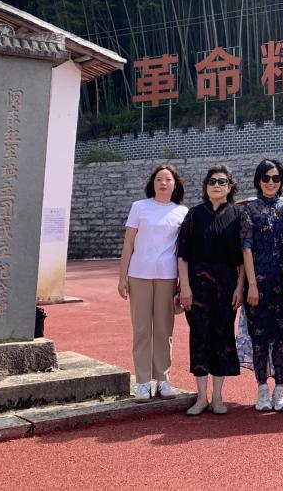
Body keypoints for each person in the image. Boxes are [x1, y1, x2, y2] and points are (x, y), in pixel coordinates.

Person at [178, 165, 245, 416]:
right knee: (199, 336)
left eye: (222, 182)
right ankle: (201, 397)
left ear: (230, 187)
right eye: (212, 181)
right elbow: (182, 255)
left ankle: (217, 397)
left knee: (223, 337)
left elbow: (243, 257)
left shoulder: (238, 215)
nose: (216, 185)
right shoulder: (194, 214)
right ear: (206, 187)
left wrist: (240, 286)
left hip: (227, 285)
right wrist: (184, 287)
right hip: (197, 285)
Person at [118, 164, 188, 402]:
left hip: (167, 277)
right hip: (139, 275)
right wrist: (122, 277)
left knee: (164, 330)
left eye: (168, 179)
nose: (163, 183)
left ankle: (163, 380)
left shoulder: (182, 212)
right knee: (141, 330)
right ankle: (143, 382)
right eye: (159, 179)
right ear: (153, 183)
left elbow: (182, 250)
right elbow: (128, 243)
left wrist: (182, 283)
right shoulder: (139, 207)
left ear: (175, 185)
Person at [241, 159, 283, 412]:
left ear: (282, 181)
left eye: (276, 178)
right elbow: (246, 248)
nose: (271, 183)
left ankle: (280, 390)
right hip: (258, 283)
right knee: (259, 338)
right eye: (266, 178)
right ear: (258, 181)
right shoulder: (249, 209)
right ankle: (262, 389)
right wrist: (251, 285)